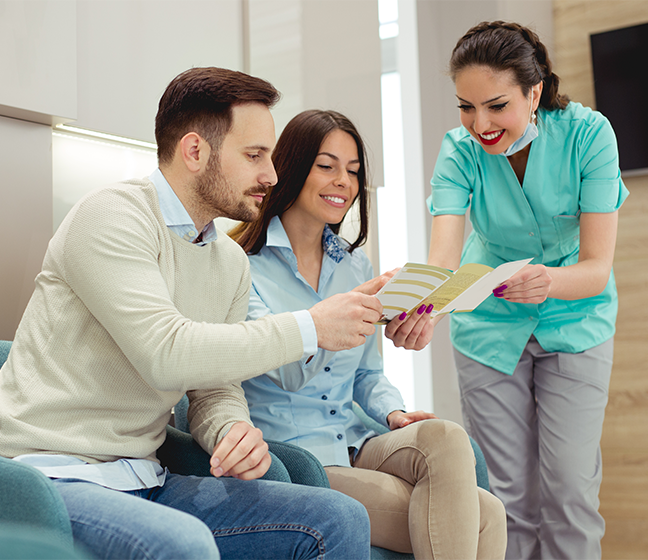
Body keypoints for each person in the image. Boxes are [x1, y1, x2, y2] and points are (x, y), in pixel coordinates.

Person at [0, 67, 384, 560]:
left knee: (338, 517)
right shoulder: (112, 216)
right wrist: (310, 327)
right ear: (195, 151)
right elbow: (168, 353)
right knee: (182, 544)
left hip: (146, 476)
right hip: (50, 475)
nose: (271, 174)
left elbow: (214, 386)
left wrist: (229, 430)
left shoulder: (226, 261)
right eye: (254, 156)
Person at [230, 109, 507, 560]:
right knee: (487, 516)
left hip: (356, 438)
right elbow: (286, 373)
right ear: (292, 167)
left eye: (354, 171)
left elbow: (367, 374)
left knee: (448, 437)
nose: (344, 180)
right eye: (327, 166)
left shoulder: (354, 265)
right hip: (298, 456)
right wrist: (336, 315)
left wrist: (392, 412)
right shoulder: (241, 265)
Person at [426, 21, 629, 560]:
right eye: (466, 107)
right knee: (505, 499)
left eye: (496, 106)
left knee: (570, 492)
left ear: (533, 91)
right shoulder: (458, 151)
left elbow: (596, 268)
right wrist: (421, 305)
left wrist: (548, 282)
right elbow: (443, 261)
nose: (480, 124)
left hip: (575, 319)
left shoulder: (589, 135)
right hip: (488, 326)